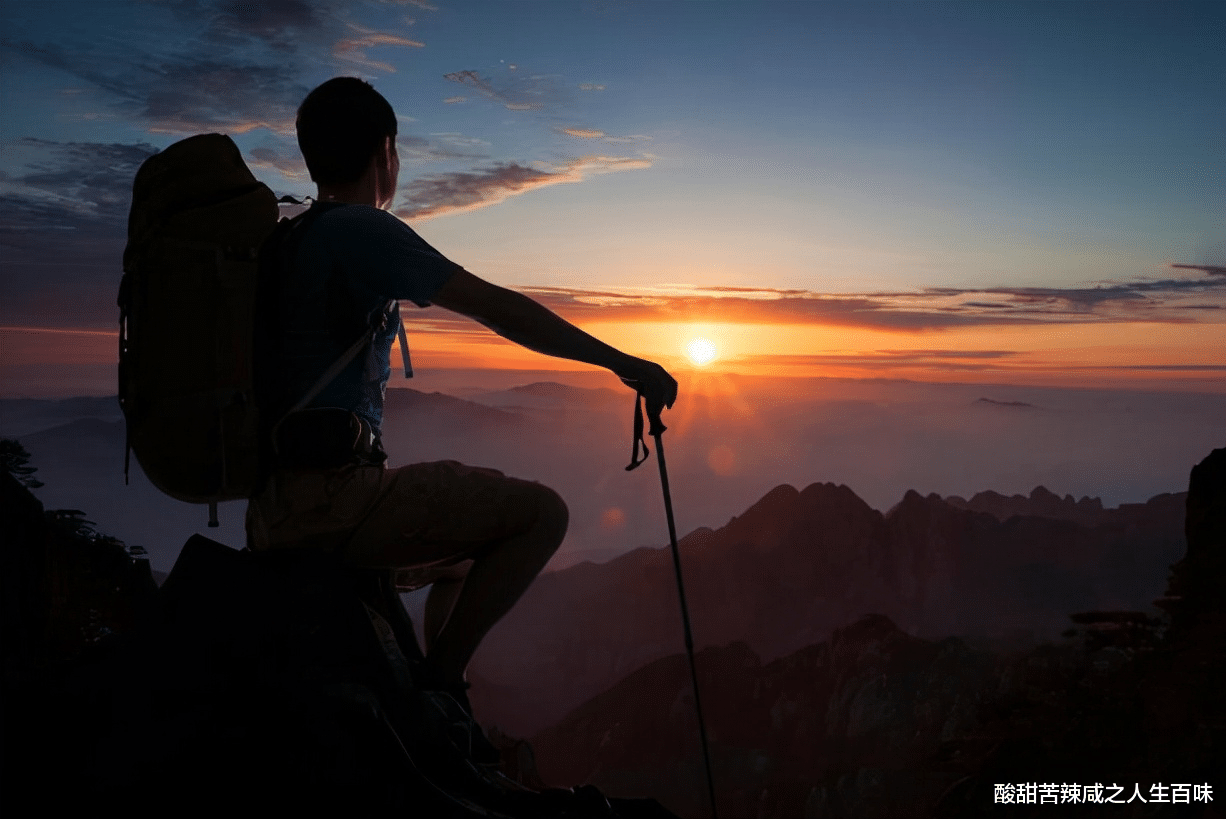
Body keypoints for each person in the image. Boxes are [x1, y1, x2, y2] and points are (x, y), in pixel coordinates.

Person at [246, 77, 677, 712]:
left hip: (274, 508)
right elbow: (498, 309)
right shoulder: (362, 231)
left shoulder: (291, 239)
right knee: (542, 516)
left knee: (463, 561)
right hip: (337, 503)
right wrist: (623, 363)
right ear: (386, 151)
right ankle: (439, 689)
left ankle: (435, 686)